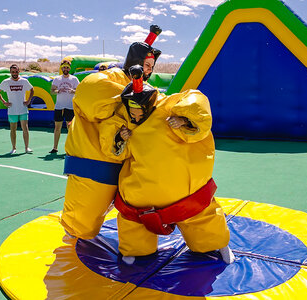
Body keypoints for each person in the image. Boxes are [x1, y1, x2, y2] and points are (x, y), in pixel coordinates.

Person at [99, 65, 234, 265]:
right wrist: (119, 137)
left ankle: (217, 243)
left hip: (183, 191)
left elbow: (198, 105)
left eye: (138, 112)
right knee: (134, 225)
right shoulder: (124, 118)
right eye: (132, 113)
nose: (136, 117)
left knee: (201, 220)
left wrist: (184, 119)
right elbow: (113, 148)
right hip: (141, 193)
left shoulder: (169, 107)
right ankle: (134, 248)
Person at [61, 25, 162, 240]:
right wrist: (125, 94)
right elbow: (87, 94)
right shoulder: (111, 79)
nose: (149, 71)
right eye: (146, 65)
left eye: (151, 67)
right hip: (92, 162)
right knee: (81, 226)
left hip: (123, 164)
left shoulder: (143, 88)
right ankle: (73, 230)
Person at [0, 64, 34, 154]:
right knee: (13, 129)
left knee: (25, 128)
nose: (15, 73)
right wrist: (4, 102)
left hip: (23, 109)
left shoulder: (24, 81)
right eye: (13, 72)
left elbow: (32, 90)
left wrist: (28, 100)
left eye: (16, 71)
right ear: (10, 72)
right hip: (12, 110)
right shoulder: (6, 82)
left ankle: (26, 147)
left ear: (19, 71)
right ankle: (13, 148)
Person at [49, 60, 80, 154]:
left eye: (67, 67)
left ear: (69, 69)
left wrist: (73, 91)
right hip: (59, 107)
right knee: (57, 127)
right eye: (64, 67)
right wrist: (58, 91)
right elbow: (52, 91)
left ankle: (71, 148)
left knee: (70, 128)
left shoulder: (74, 79)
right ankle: (55, 147)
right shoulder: (57, 79)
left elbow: (79, 91)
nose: (65, 69)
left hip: (70, 107)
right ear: (61, 68)